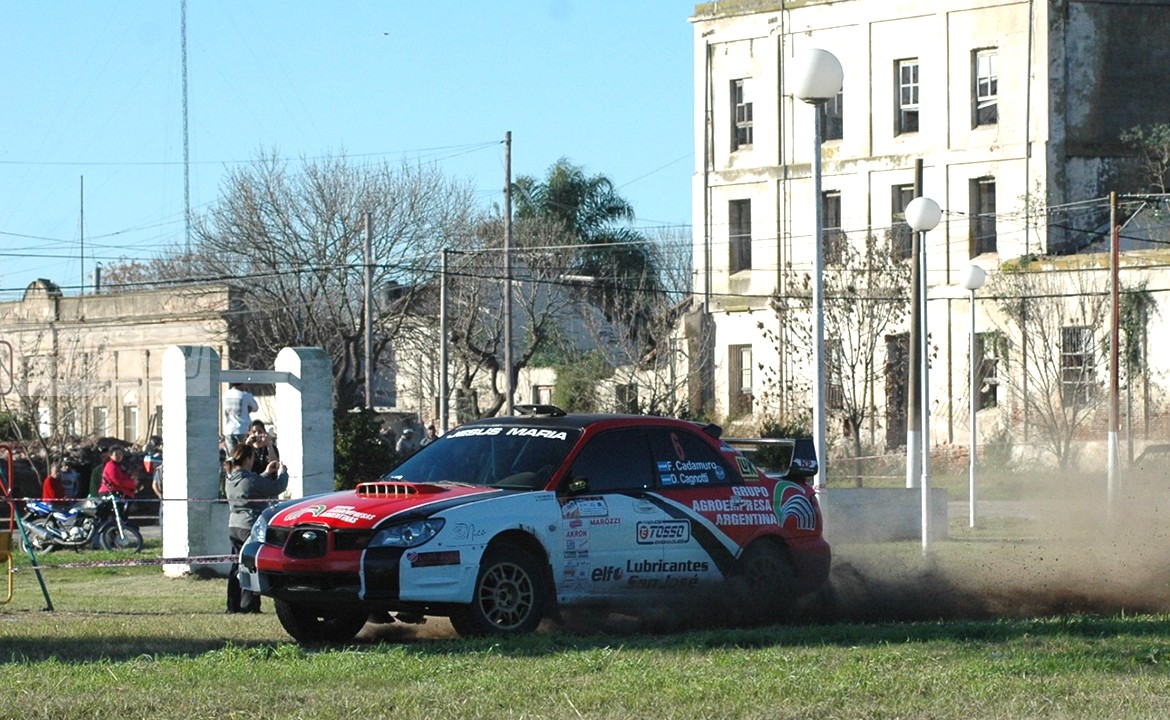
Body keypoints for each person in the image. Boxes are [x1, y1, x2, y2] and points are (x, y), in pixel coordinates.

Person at [225, 443, 288, 613]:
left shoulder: (230, 478)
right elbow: (277, 487)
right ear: (247, 459)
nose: (254, 461)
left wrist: (266, 473)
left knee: (235, 566)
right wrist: (283, 473)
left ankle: (233, 605)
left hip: (234, 526)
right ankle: (249, 605)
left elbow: (253, 484)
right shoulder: (250, 480)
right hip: (249, 525)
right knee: (250, 565)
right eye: (252, 457)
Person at [222, 382, 259, 454]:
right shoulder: (245, 395)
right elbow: (255, 408)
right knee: (244, 454)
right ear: (242, 384)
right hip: (242, 429)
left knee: (232, 455)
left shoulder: (225, 395)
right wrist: (249, 393)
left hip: (228, 430)